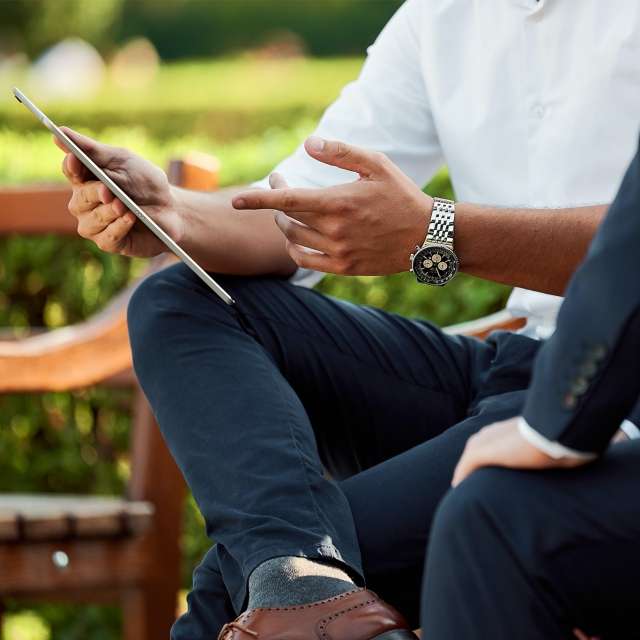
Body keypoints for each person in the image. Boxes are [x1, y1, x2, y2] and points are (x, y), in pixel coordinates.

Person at [56, 1, 640, 638]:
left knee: (230, 596)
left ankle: (297, 584)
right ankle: (301, 575)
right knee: (176, 301)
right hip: (511, 368)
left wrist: (438, 231)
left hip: (611, 380)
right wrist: (172, 213)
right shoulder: (441, 14)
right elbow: (307, 205)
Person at [421, 135, 640, 640]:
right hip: (509, 365)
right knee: (258, 563)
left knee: (494, 521)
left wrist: (555, 426)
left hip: (558, 392)